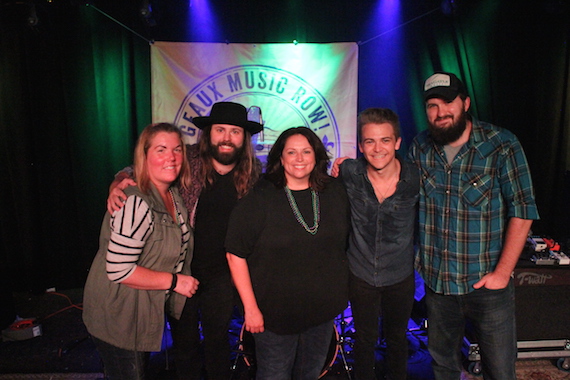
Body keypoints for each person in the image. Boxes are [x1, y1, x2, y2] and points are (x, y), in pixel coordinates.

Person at [107, 101, 263, 380]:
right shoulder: (186, 159)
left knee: (218, 343)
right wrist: (118, 180)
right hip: (182, 270)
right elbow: (138, 169)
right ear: (208, 133)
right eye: (220, 130)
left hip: (223, 276)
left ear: (244, 138)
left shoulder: (253, 174)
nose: (227, 137)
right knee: (185, 345)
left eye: (235, 131)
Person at [407, 72, 539, 380]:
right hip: (438, 287)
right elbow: (395, 192)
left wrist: (502, 273)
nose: (440, 112)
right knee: (443, 368)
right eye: (432, 104)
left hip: (488, 287)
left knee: (500, 371)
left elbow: (523, 210)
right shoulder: (420, 148)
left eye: (449, 102)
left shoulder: (501, 145)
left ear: (465, 103)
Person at [225, 127, 350, 380]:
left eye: (306, 151)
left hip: (321, 313)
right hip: (274, 316)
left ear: (316, 155)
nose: (300, 158)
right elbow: (234, 254)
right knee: (274, 375)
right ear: (280, 158)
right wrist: (250, 309)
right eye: (291, 152)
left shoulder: (335, 192)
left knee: (310, 374)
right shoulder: (260, 197)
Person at [83, 122, 200, 380]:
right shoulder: (135, 202)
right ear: (144, 156)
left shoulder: (170, 193)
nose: (171, 157)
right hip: (120, 315)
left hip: (139, 312)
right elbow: (118, 269)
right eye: (161, 149)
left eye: (177, 150)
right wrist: (174, 282)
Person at [332, 108, 419, 380]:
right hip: (360, 274)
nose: (377, 148)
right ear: (360, 146)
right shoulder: (349, 172)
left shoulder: (416, 178)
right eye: (370, 141)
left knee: (396, 342)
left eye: (384, 140)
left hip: (399, 274)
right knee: (364, 341)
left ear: (397, 143)